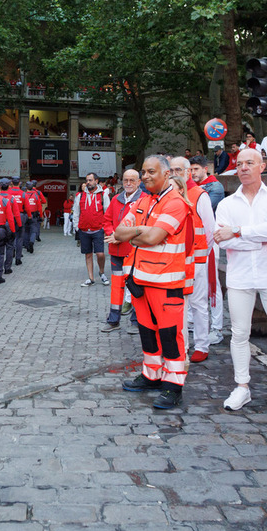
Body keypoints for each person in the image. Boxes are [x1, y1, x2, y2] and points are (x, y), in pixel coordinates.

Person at [212, 148, 267, 421]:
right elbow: (221, 240)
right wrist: (261, 234)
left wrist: (239, 231)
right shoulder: (227, 204)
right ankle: (241, 386)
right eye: (239, 164)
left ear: (263, 166)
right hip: (240, 276)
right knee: (239, 334)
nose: (244, 167)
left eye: (250, 163)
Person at [107, 155, 192, 409]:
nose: (145, 176)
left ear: (166, 174)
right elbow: (118, 233)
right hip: (140, 280)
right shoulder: (144, 201)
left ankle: (173, 386)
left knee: (169, 336)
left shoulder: (175, 202)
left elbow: (153, 237)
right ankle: (151, 375)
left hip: (165, 282)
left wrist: (138, 233)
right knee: (147, 333)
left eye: (150, 172)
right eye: (143, 172)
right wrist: (140, 233)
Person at [172, 157, 216, 363]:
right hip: (176, 260)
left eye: (178, 169)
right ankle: (183, 345)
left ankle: (201, 344)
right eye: (171, 169)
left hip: (197, 259)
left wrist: (201, 257)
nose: (174, 173)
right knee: (179, 304)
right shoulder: (171, 194)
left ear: (188, 172)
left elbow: (209, 230)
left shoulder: (200, 195)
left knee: (198, 304)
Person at [101, 168, 141, 332]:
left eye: (132, 180)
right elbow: (107, 220)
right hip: (116, 250)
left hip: (133, 251)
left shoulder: (144, 200)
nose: (128, 183)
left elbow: (141, 227)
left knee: (136, 286)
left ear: (139, 182)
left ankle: (136, 322)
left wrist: (120, 237)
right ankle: (113, 320)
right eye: (126, 180)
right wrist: (113, 234)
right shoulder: (116, 199)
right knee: (116, 287)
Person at [190, 156, 224, 344]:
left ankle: (217, 327)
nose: (193, 173)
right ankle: (196, 324)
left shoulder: (214, 187)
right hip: (195, 242)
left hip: (211, 240)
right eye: (191, 170)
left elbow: (199, 211)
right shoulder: (192, 189)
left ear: (206, 169)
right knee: (196, 284)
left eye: (196, 169)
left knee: (213, 284)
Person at [73, 172, 110, 286]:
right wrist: (76, 227)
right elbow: (76, 212)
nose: (88, 182)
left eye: (90, 180)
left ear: (96, 181)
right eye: (87, 180)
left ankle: (102, 272)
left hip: (98, 229)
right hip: (84, 230)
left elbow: (107, 212)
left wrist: (105, 228)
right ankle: (91, 278)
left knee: (100, 254)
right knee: (88, 254)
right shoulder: (80, 195)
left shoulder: (102, 194)